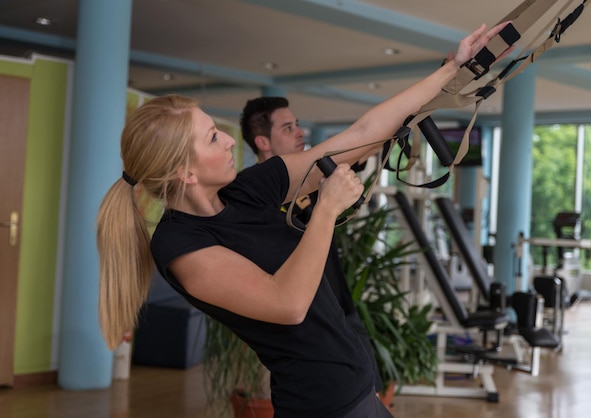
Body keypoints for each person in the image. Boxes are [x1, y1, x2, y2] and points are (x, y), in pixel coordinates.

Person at [97, 22, 512, 418]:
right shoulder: (178, 244)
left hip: (354, 385)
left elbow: (359, 136)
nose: (227, 139)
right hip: (322, 405)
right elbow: (287, 304)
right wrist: (327, 209)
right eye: (211, 137)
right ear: (184, 173)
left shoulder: (246, 189)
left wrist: (453, 67)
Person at [240, 96, 385, 393]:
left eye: (297, 125)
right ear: (263, 142)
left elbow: (369, 141)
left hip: (342, 312)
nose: (300, 133)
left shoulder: (317, 178)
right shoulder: (250, 202)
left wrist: (444, 85)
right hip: (305, 333)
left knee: (370, 397)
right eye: (288, 127)